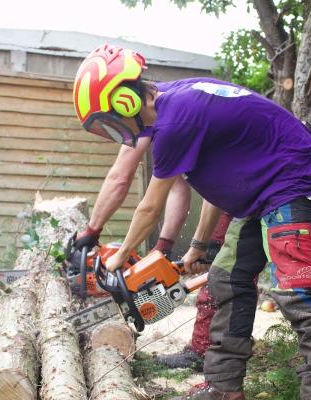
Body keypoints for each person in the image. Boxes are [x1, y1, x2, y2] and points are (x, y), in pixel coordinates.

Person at [72, 44, 311, 400]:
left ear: (125, 102)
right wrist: (197, 248)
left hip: (289, 182)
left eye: (110, 122)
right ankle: (223, 387)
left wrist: (118, 256)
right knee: (225, 279)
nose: (115, 131)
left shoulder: (174, 121)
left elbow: (149, 207)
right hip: (258, 193)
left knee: (296, 290)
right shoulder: (171, 105)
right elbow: (214, 185)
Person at [69, 88, 232, 370]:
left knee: (224, 273)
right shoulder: (162, 116)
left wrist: (94, 231)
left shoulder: (154, 119)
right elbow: (177, 185)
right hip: (228, 184)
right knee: (221, 270)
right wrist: (163, 248)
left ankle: (207, 352)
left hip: (235, 186)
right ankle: (217, 349)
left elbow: (121, 178)